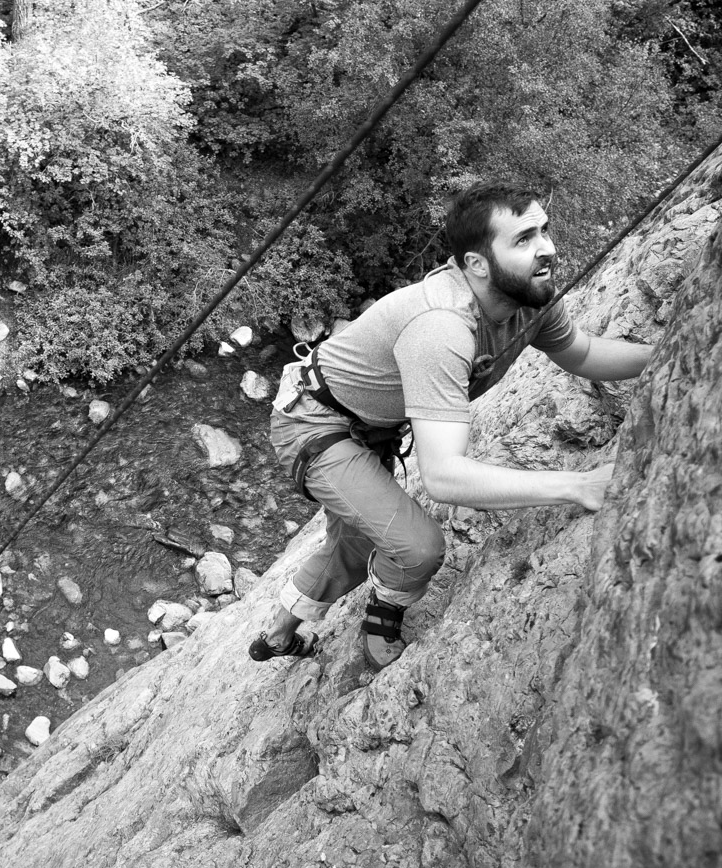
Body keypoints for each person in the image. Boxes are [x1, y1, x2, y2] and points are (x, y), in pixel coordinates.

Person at [250, 180, 653, 669]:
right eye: (524, 239)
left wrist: (669, 350)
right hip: (314, 423)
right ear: (476, 264)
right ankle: (384, 614)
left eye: (544, 231)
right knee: (416, 547)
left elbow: (583, 353)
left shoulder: (529, 297)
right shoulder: (440, 327)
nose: (547, 248)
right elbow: (442, 476)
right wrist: (578, 486)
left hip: (365, 423)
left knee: (357, 539)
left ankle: (278, 635)